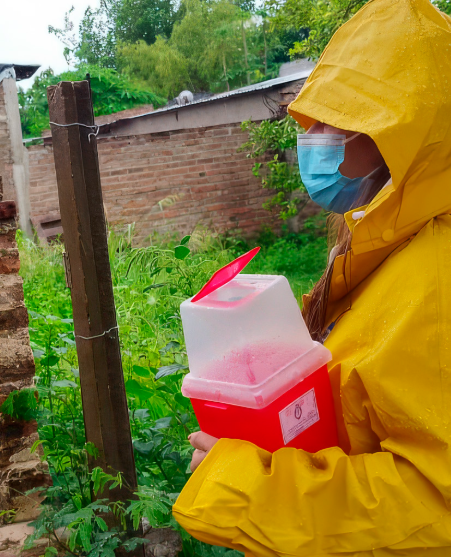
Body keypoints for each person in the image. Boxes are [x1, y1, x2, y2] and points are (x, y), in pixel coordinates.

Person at [173, 0, 451, 554]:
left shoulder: (437, 280)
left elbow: (434, 507)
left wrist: (246, 482)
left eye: (336, 120)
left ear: (405, 136)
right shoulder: (381, 243)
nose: (314, 137)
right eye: (312, 119)